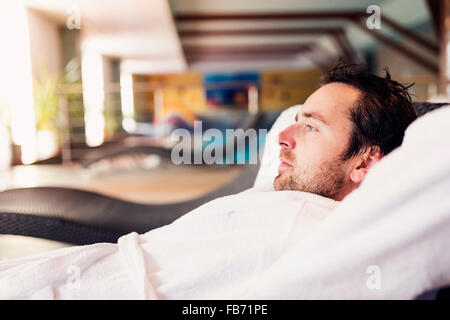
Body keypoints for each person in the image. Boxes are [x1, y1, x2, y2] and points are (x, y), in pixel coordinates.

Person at [0, 63, 417, 299]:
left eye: (311, 128)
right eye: (295, 121)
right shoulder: (277, 193)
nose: (283, 138)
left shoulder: (320, 237)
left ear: (364, 162)